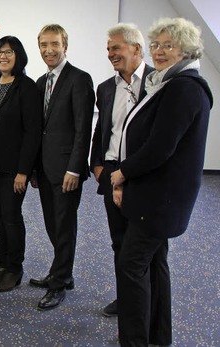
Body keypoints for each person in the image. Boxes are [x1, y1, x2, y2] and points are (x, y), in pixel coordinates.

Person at [110, 17, 212, 346]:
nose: (160, 51)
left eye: (169, 45)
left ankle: (136, 341)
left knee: (130, 264)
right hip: (160, 196)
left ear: (187, 50)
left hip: (159, 200)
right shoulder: (170, 83)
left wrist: (122, 172)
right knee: (155, 261)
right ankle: (158, 335)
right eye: (156, 45)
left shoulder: (184, 88)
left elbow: (159, 148)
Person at [90, 23, 154, 318]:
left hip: (145, 174)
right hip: (111, 171)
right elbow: (102, 129)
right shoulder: (105, 88)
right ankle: (126, 297)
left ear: (136, 48)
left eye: (116, 48)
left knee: (145, 247)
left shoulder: (159, 82)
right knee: (119, 241)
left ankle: (147, 303)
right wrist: (98, 166)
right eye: (108, 49)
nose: (110, 54)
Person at [30, 24, 94, 311]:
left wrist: (75, 169)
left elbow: (83, 129)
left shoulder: (80, 79)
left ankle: (58, 286)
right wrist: (33, 168)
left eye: (54, 44)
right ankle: (62, 272)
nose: (48, 50)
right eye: (43, 44)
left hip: (67, 170)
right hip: (44, 169)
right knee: (52, 224)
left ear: (65, 45)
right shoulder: (40, 81)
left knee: (64, 226)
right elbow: (37, 131)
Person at [0, 36, 42, 293]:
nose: (3, 56)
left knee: (12, 218)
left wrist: (24, 171)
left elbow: (32, 133)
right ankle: (2, 266)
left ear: (18, 55)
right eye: (0, 51)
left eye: (9, 52)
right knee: (0, 219)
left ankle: (15, 268)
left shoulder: (27, 87)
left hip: (14, 168)